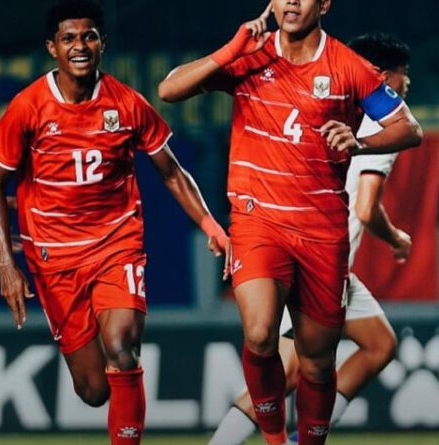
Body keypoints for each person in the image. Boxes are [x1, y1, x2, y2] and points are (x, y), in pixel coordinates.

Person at [159, 2, 422, 443]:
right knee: (260, 334)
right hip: (259, 221)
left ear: (324, 4)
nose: (293, 2)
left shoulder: (350, 69)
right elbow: (168, 90)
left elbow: (410, 129)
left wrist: (359, 143)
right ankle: (277, 438)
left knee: (316, 363)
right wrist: (230, 50)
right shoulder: (250, 56)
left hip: (322, 234)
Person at [0, 1, 229, 444]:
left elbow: (172, 172)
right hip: (55, 259)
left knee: (122, 346)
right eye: (69, 38)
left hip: (116, 244)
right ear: (52, 48)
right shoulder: (28, 107)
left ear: (102, 43)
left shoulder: (127, 103)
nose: (80, 46)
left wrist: (210, 224)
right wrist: (6, 263)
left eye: (89, 36)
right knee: (94, 390)